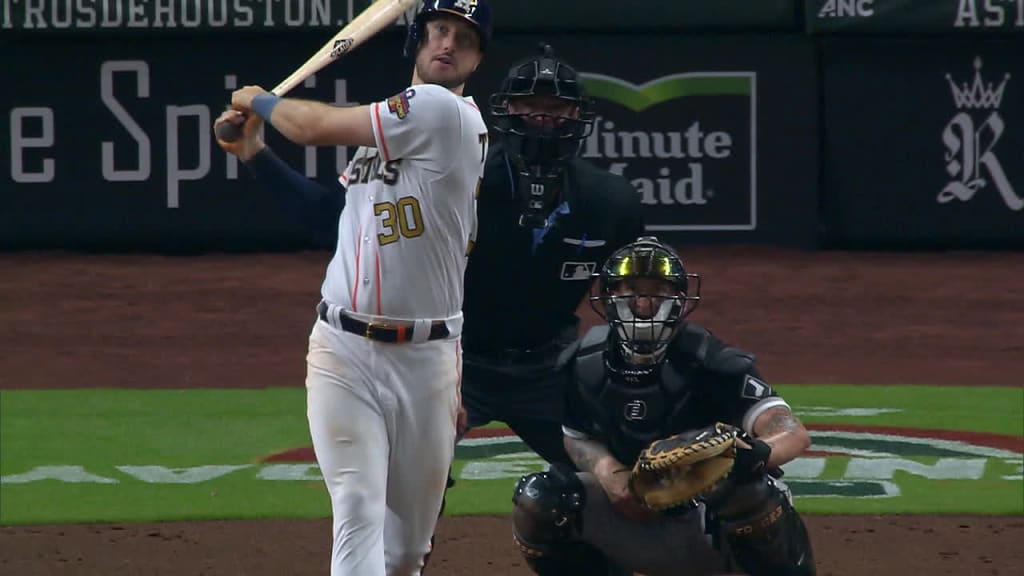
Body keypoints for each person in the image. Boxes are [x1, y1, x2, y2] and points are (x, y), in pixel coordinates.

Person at [217, 1, 492, 575]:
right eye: (439, 29)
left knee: (406, 552)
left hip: (428, 360)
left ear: (477, 59)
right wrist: (256, 155)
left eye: (463, 38)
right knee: (357, 509)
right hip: (342, 349)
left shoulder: (442, 113)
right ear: (417, 40)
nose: (448, 43)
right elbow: (330, 218)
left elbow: (311, 127)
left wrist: (257, 99)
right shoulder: (388, 136)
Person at [511, 236, 817, 576]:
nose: (643, 305)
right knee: (538, 499)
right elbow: (576, 437)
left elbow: (792, 432)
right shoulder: (583, 364)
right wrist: (611, 475)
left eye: (658, 292)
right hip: (635, 521)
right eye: (630, 291)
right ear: (610, 299)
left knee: (745, 489)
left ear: (680, 302)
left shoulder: (713, 364)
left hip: (710, 528)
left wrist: (751, 456)